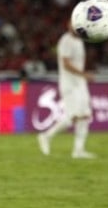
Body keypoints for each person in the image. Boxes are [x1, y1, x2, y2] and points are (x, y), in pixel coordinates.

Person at [37, 22, 95, 159]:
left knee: (85, 115)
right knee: (72, 118)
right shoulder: (65, 41)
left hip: (80, 83)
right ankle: (46, 136)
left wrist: (82, 77)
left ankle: (78, 151)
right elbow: (66, 64)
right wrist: (84, 74)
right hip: (69, 84)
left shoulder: (80, 40)